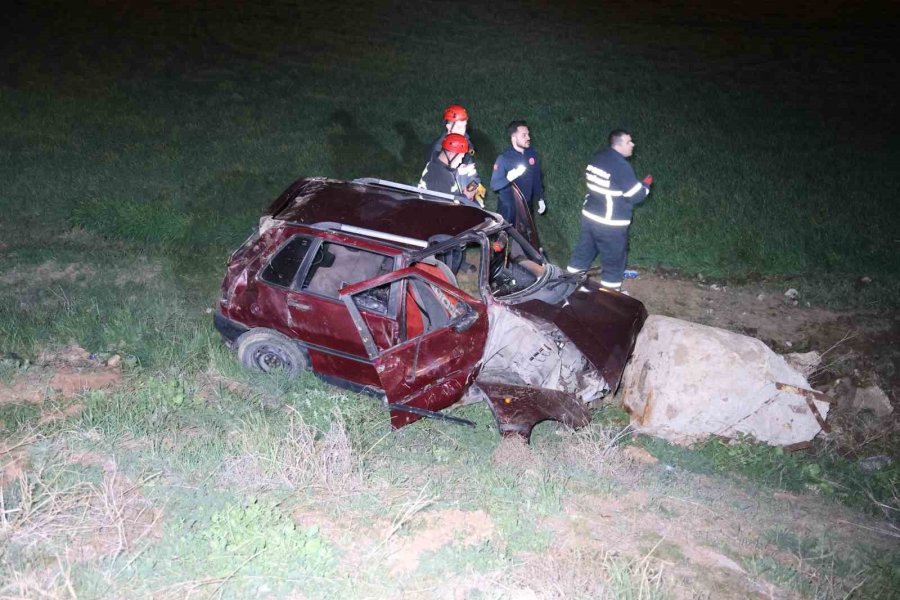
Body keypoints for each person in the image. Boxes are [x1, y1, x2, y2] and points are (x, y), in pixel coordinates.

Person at [567, 130, 653, 291]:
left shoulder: (598, 157)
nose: (632, 144)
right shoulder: (621, 166)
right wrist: (646, 185)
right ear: (618, 145)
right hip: (610, 224)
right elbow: (635, 196)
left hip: (590, 217)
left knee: (583, 253)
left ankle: (571, 288)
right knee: (614, 262)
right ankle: (610, 296)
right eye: (628, 142)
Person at [490, 120, 545, 226]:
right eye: (524, 135)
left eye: (528, 134)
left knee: (526, 233)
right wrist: (509, 178)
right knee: (504, 233)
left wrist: (540, 198)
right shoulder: (504, 158)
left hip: (526, 203)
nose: (528, 138)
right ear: (514, 138)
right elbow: (494, 185)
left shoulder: (531, 154)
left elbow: (536, 177)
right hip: (508, 206)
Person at [428, 104, 485, 204]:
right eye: (459, 127)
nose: (463, 131)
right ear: (448, 126)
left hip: (463, 181)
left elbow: (469, 156)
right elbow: (437, 176)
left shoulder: (464, 139)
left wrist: (472, 179)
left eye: (464, 126)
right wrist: (458, 172)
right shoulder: (438, 149)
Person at [418, 133, 478, 201]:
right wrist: (466, 196)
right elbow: (454, 205)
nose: (460, 161)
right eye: (461, 157)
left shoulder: (433, 163)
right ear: (451, 155)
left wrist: (457, 171)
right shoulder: (445, 180)